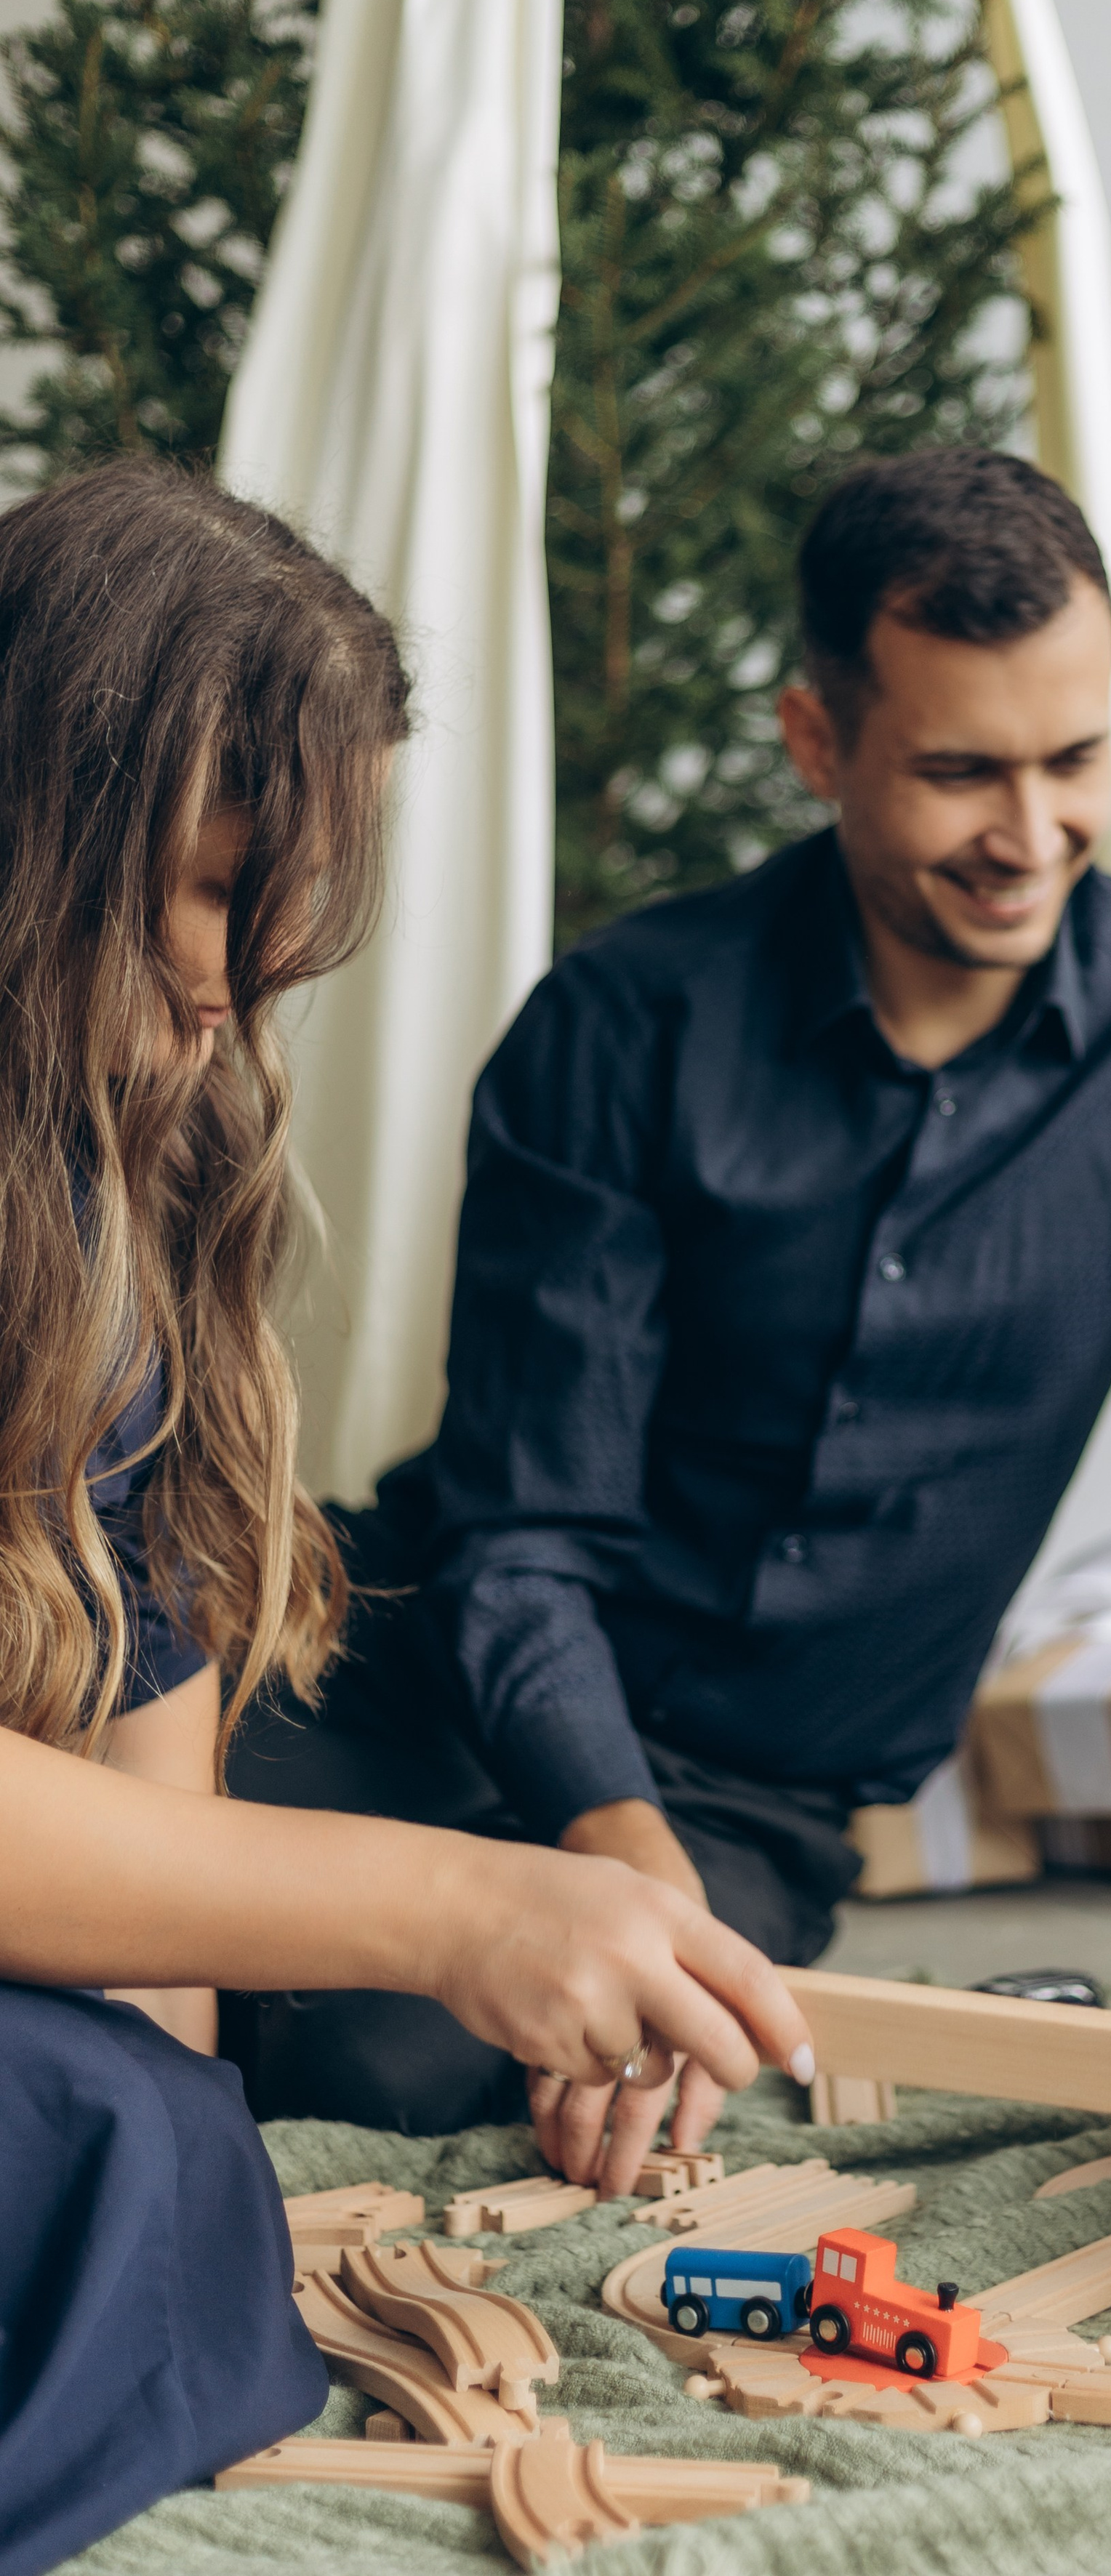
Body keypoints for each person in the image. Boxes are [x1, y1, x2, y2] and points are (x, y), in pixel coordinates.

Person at [230, 443, 1111, 2184]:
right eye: (962, 771)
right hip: (413, 1657)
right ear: (816, 742)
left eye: (1074, 760)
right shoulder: (616, 1026)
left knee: (373, 2057)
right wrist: (612, 1868)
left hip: (753, 1801)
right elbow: (522, 1538)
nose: (1030, 834)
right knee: (100, 1824)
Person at [0, 463, 811, 2576]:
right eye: (208, 894)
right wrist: (466, 1908)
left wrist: (184, 2144)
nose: (236, 989)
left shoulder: (116, 1212)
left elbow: (143, 1866)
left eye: (285, 931)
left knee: (152, 2128)